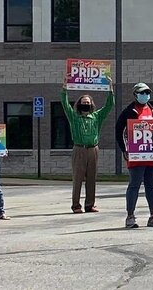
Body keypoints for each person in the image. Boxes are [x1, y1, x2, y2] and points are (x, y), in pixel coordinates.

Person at [62, 77, 114, 214]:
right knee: (78, 178)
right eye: (83, 102)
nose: (85, 104)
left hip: (93, 149)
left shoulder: (97, 116)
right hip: (79, 149)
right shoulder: (74, 117)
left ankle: (90, 205)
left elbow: (109, 106)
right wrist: (64, 88)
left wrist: (110, 88)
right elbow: (65, 104)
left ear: (91, 105)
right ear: (79, 104)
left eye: (88, 102)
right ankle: (76, 205)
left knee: (92, 178)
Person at [115, 82, 153, 229]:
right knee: (134, 184)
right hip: (136, 153)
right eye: (142, 93)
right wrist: (124, 149)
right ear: (135, 94)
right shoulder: (129, 111)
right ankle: (130, 216)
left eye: (147, 93)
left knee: (151, 185)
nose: (145, 95)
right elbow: (119, 130)